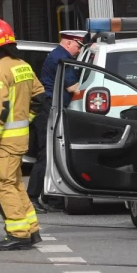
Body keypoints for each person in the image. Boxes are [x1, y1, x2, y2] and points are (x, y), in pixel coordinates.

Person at [0, 18, 43, 251]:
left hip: (5, 140)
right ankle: (31, 229)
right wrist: (26, 121)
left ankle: (18, 233)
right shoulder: (22, 65)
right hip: (20, 137)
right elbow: (39, 97)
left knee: (2, 183)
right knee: (14, 182)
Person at [31, 29, 86, 212]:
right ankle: (32, 197)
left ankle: (52, 197)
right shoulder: (64, 58)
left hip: (49, 109)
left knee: (53, 154)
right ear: (69, 42)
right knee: (46, 155)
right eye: (78, 46)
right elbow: (73, 88)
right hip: (49, 110)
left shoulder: (56, 54)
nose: (79, 50)